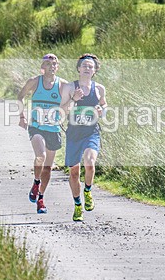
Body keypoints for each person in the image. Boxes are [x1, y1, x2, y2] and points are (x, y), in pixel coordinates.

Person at [16, 53, 66, 214]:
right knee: (41, 155)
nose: (51, 66)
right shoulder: (34, 82)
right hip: (36, 126)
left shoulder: (63, 85)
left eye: (54, 64)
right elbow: (20, 96)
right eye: (48, 63)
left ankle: (41, 198)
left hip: (54, 129)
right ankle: (36, 183)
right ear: (42, 67)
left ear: (57, 67)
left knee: (48, 168)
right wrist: (22, 116)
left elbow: (71, 103)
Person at [60, 53, 106, 222]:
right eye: (84, 65)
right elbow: (63, 110)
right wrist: (74, 99)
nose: (87, 68)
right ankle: (78, 204)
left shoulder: (99, 89)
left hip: (91, 132)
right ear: (78, 69)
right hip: (73, 135)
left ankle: (87, 191)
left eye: (90, 66)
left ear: (94, 71)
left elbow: (104, 105)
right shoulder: (69, 88)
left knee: (90, 162)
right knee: (73, 173)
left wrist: (102, 111)